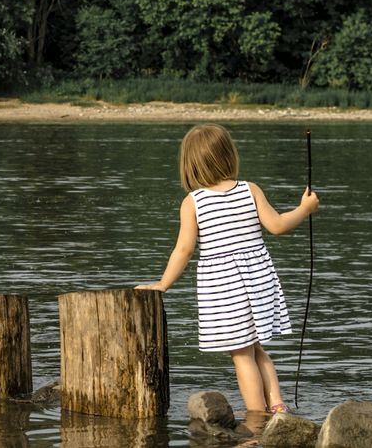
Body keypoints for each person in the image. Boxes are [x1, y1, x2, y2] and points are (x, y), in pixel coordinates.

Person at [136, 124, 318, 415]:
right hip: (259, 281)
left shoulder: (193, 202)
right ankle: (278, 406)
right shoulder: (250, 189)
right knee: (256, 348)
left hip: (225, 286)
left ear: (190, 164)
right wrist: (305, 209)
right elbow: (278, 225)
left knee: (241, 354)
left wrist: (164, 283)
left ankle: (257, 417)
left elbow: (184, 249)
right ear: (229, 156)